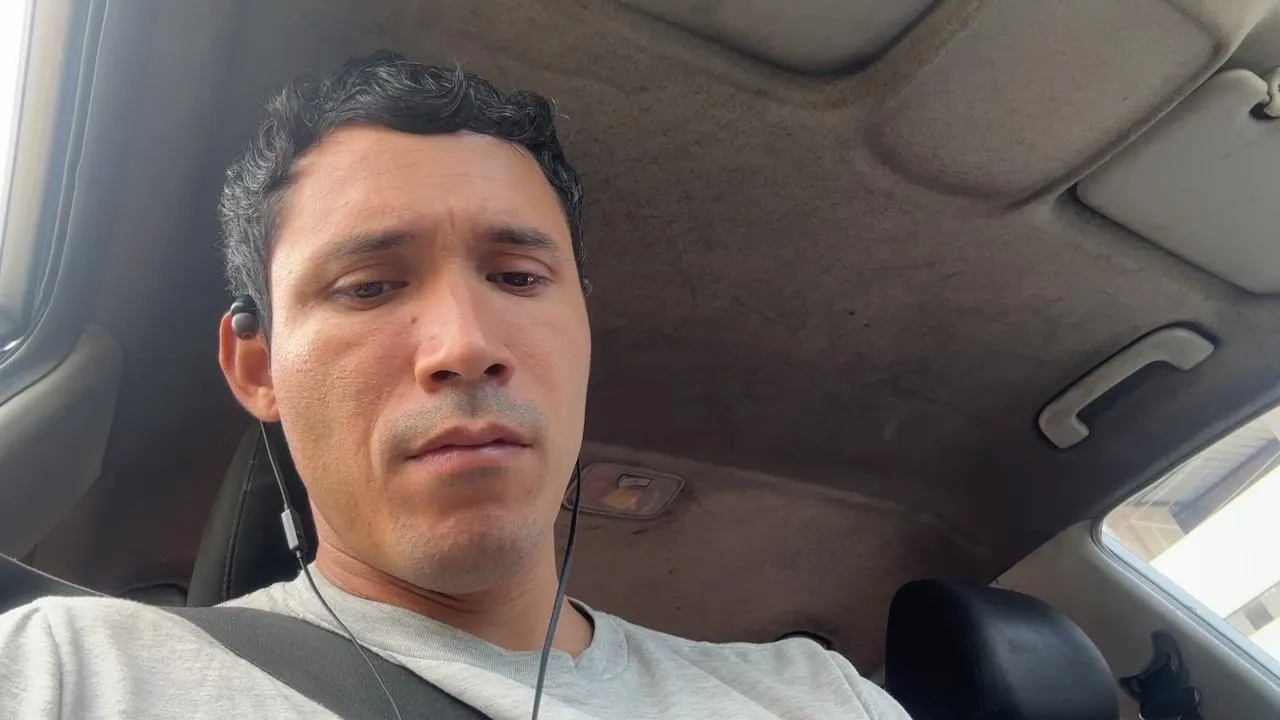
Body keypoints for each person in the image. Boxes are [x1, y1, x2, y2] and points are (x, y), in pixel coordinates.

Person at [0, 50, 910, 719]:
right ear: (257, 366)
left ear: (583, 332)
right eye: (369, 287)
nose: (466, 346)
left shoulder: (818, 699)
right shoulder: (68, 674)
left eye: (517, 277)